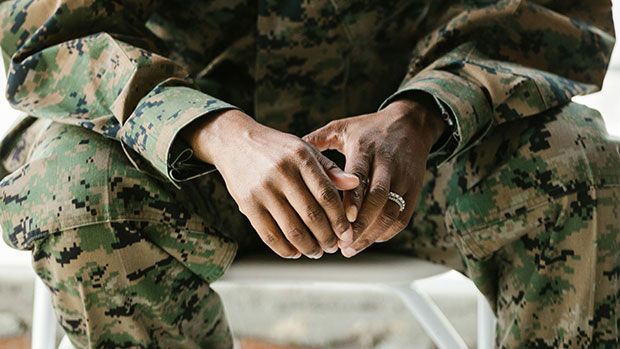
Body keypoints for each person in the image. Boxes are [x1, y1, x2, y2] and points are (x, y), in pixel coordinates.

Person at [0, 0, 617, 347]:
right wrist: (212, 130)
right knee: (77, 192)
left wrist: (421, 114)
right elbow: (51, 29)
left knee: (580, 166)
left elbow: (551, 12)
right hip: (180, 154)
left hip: (426, 154)